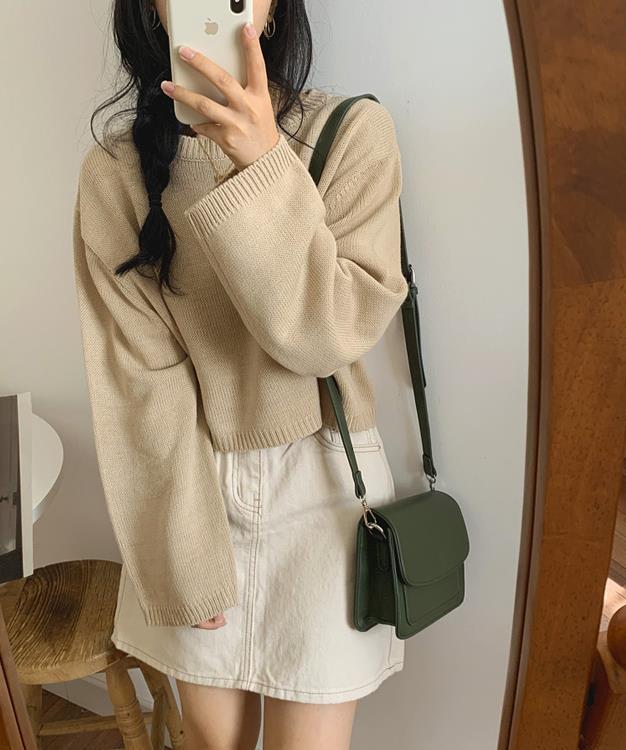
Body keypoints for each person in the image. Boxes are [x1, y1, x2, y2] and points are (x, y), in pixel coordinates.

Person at [72, 1, 410, 747]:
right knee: (208, 741)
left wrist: (264, 166)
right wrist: (181, 555)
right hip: (189, 481)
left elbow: (327, 337)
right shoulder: (116, 175)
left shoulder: (353, 134)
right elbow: (140, 385)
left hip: (325, 490)